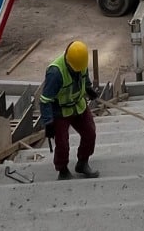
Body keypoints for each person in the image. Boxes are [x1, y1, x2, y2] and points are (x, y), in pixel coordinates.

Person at [39, 40, 99, 181]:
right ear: (67, 59)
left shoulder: (80, 63)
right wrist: (48, 122)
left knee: (90, 133)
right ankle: (63, 170)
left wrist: (89, 88)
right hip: (60, 111)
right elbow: (45, 100)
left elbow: (84, 78)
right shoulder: (55, 73)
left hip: (78, 105)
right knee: (62, 144)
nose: (77, 71)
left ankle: (82, 163)